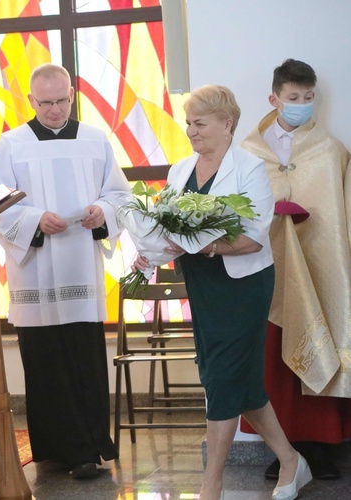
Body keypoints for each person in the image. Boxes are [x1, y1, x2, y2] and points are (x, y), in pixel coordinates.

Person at [133, 85, 311, 500]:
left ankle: (210, 484)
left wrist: (202, 245)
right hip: (202, 284)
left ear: (226, 124)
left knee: (220, 378)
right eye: (189, 123)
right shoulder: (180, 171)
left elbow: (252, 239)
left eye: (200, 123)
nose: (191, 131)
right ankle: (290, 459)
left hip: (243, 286)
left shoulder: (249, 169)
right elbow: (169, 228)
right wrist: (150, 253)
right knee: (241, 383)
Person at [0, 63, 130, 480]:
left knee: (83, 358)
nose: (53, 110)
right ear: (31, 101)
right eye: (44, 102)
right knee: (45, 362)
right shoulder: (11, 144)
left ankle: (88, 450)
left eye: (61, 100)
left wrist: (104, 211)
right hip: (36, 274)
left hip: (80, 268)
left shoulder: (96, 140)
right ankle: (51, 449)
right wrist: (32, 220)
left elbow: (121, 195)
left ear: (71, 95)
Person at [239, 59, 351, 480]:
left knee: (321, 341)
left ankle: (322, 448)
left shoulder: (331, 149)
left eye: (308, 99)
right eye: (293, 98)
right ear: (274, 98)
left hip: (322, 267)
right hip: (267, 264)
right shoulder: (248, 152)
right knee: (273, 357)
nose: (302, 105)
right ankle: (282, 450)